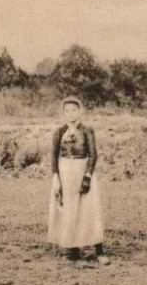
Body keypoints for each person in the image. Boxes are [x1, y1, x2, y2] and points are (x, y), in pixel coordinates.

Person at [47, 96, 109, 265]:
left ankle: (99, 251)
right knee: (70, 210)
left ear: (79, 111)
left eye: (73, 110)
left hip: (82, 170)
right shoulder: (59, 132)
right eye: (67, 111)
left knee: (90, 209)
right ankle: (74, 250)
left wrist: (87, 176)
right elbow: (53, 156)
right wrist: (56, 177)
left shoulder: (87, 130)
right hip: (65, 171)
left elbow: (93, 154)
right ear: (63, 113)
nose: (70, 113)